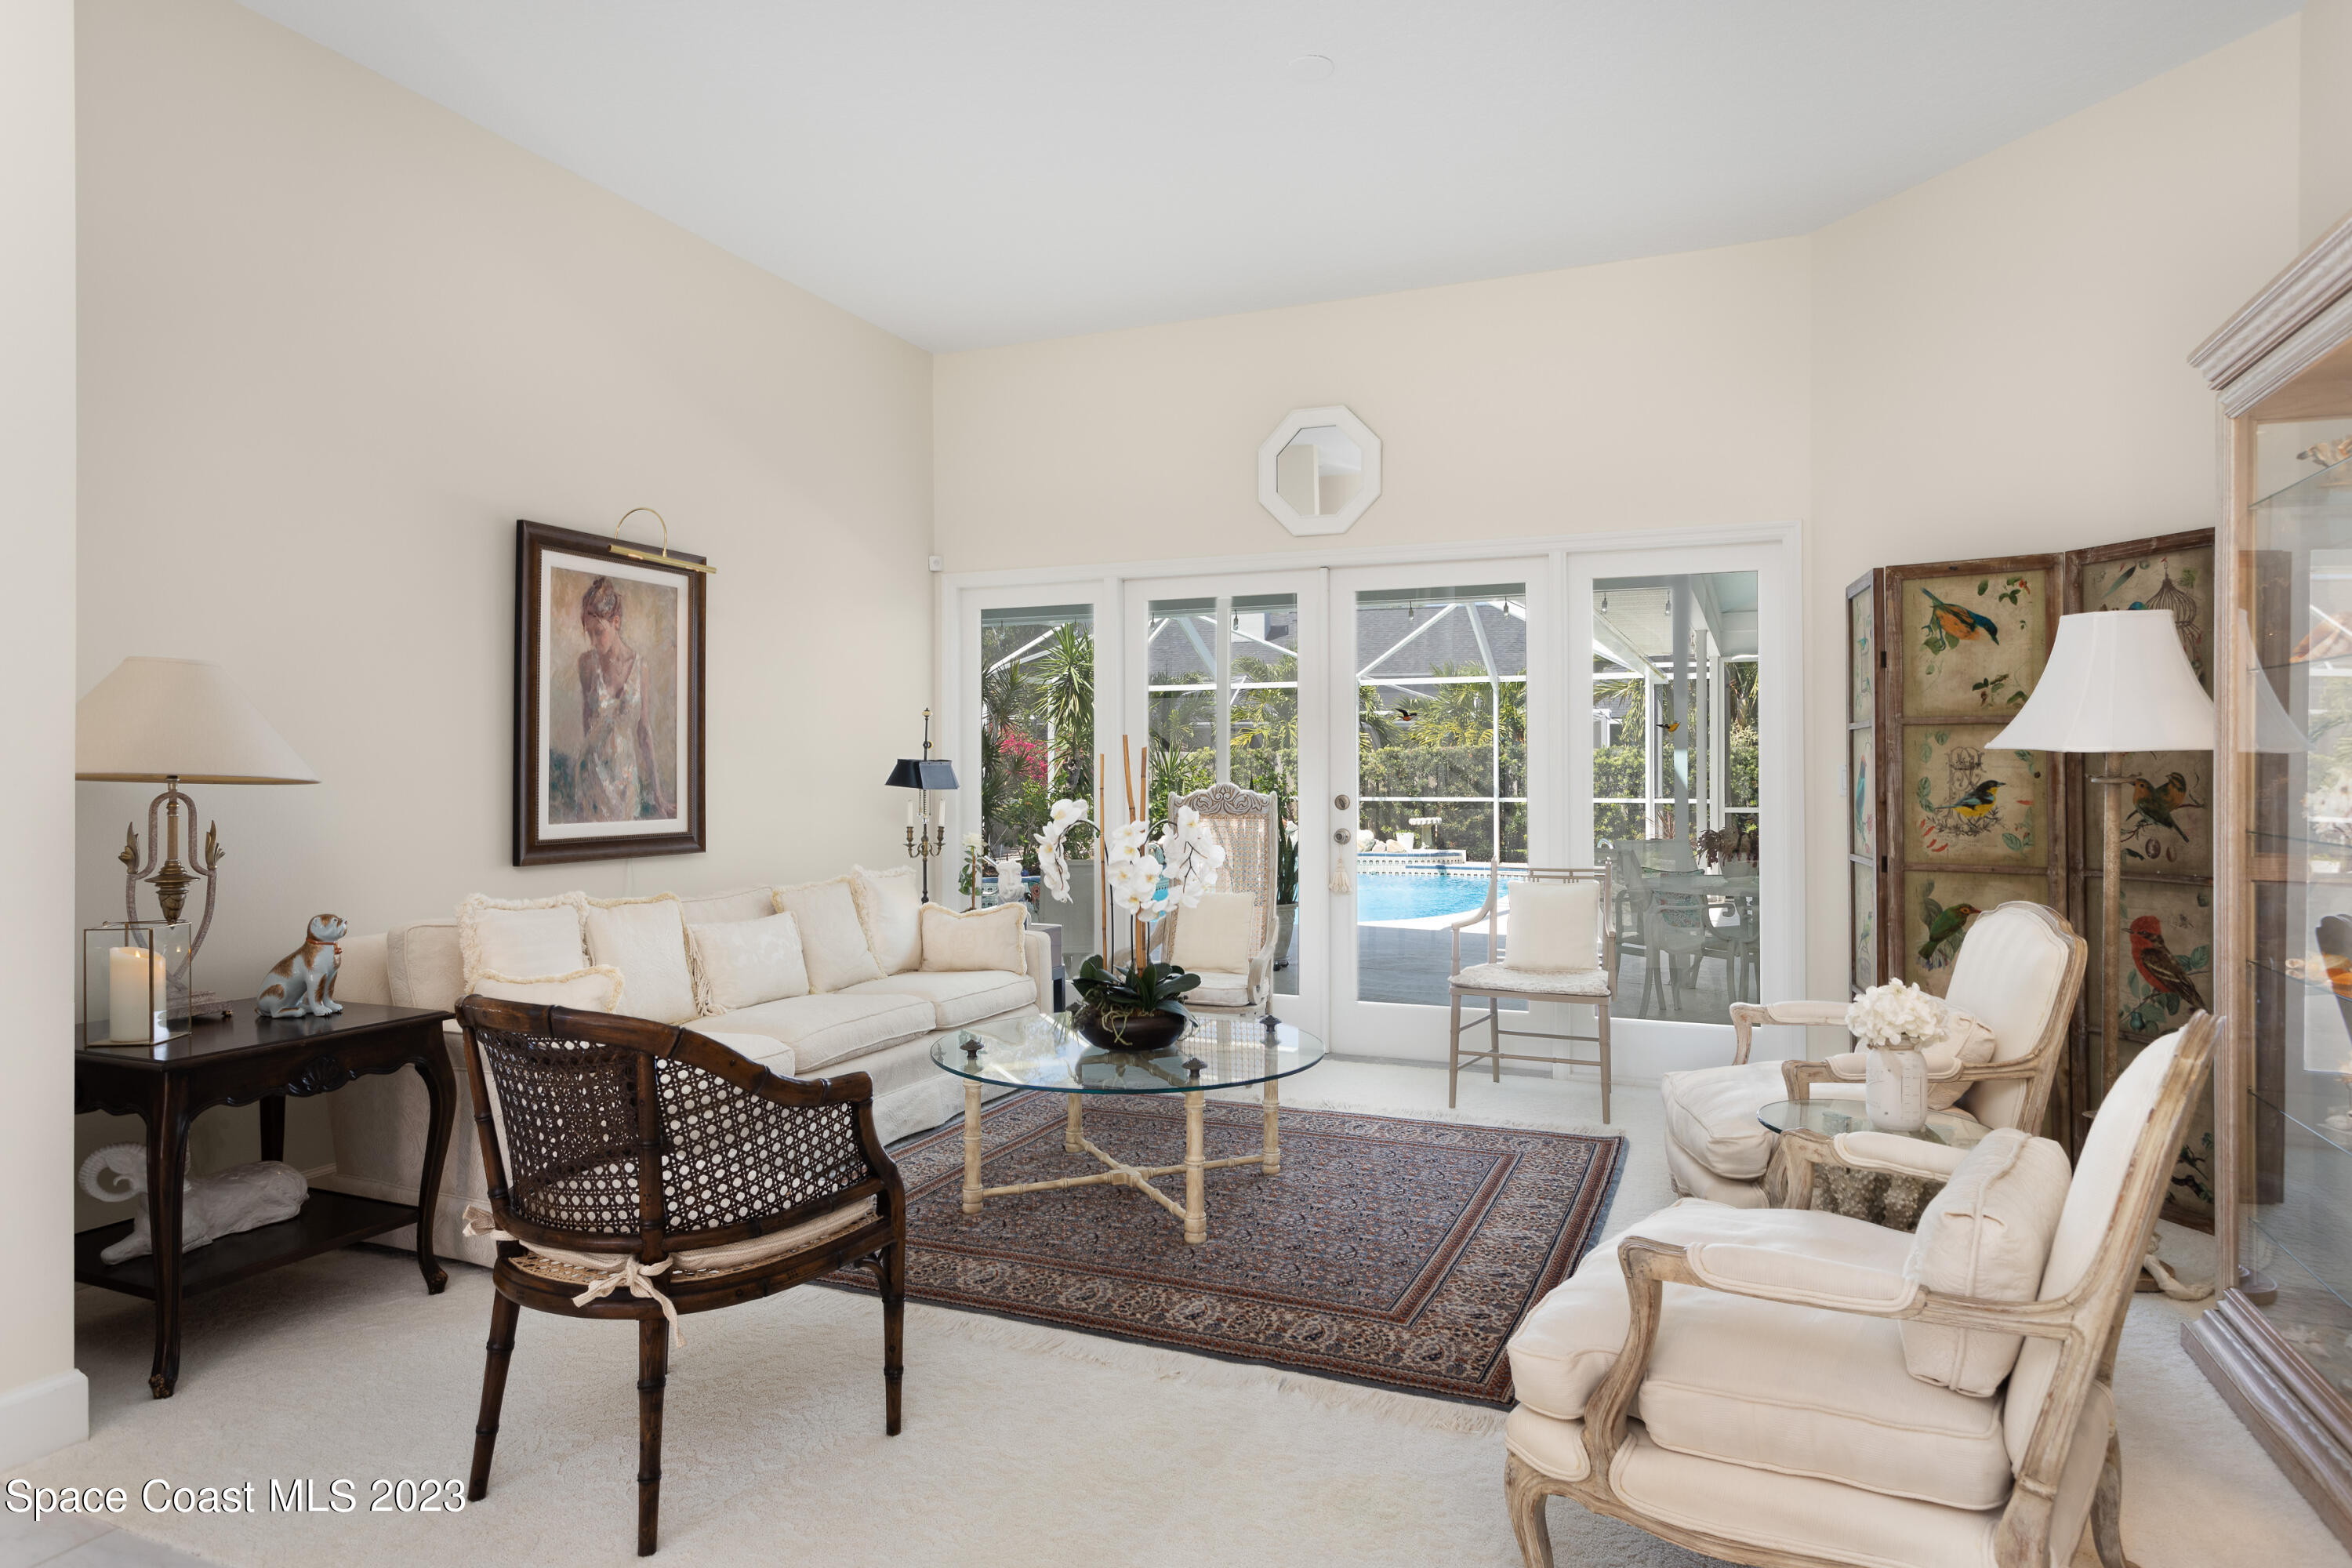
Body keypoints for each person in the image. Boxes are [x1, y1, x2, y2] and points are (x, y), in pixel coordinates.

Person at [575, 575, 673, 822]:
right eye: (589, 634)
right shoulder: (586, 664)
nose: (594, 641)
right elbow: (587, 723)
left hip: (627, 780)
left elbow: (644, 730)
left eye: (599, 632)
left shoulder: (641, 667)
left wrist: (657, 792)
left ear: (615, 622)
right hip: (593, 778)